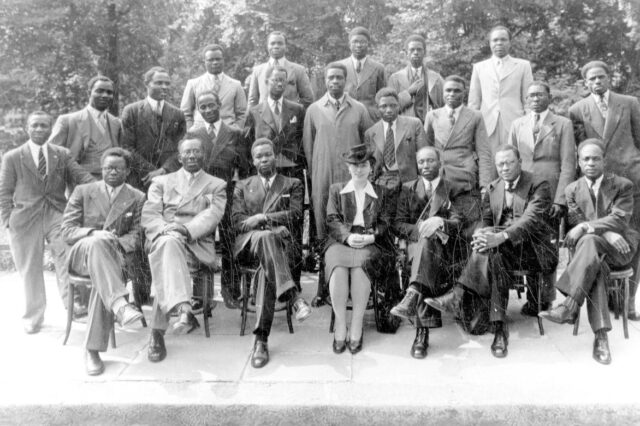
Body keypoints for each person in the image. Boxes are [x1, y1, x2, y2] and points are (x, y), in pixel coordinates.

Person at [425, 145, 557, 358]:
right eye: (500, 164)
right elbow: (486, 220)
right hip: (502, 250)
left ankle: (458, 294)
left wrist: (500, 237)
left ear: (520, 162)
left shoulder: (538, 184)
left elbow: (530, 221)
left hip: (532, 249)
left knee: (494, 249)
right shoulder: (493, 187)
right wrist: (481, 234)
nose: (504, 168)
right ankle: (499, 329)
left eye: (509, 163)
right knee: (493, 254)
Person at [540, 140, 638, 364]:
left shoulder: (623, 185)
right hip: (592, 252)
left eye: (596, 158)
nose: (591, 163)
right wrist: (602, 232)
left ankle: (569, 305)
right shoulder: (572, 189)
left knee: (590, 242)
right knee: (596, 266)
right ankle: (601, 337)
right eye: (586, 159)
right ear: (579, 162)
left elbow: (619, 218)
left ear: (604, 160)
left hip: (620, 248)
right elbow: (577, 221)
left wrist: (588, 227)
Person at [0, 111, 93, 334]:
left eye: (44, 126)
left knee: (66, 254)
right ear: (27, 128)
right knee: (30, 268)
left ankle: (72, 306)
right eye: (35, 125)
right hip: (24, 219)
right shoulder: (13, 156)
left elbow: (81, 176)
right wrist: (8, 221)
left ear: (51, 129)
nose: (40, 129)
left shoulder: (61, 154)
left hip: (56, 214)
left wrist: (103, 187)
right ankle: (33, 316)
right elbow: (4, 191)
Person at [60, 148, 145, 376]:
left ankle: (92, 350)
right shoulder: (83, 191)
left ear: (127, 171)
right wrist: (93, 234)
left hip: (115, 256)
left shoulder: (137, 197)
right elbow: (67, 231)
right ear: (101, 169)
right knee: (98, 245)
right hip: (82, 254)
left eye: (117, 168)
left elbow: (136, 236)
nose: (112, 172)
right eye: (107, 168)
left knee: (103, 280)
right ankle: (120, 305)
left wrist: (112, 242)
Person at [141, 138, 227, 363]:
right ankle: (183, 310)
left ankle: (157, 333)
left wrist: (184, 230)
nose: (192, 156)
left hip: (196, 242)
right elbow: (150, 214)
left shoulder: (216, 184)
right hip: (163, 237)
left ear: (203, 155)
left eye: (197, 151)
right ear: (179, 157)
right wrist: (167, 231)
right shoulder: (161, 181)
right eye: (187, 152)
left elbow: (212, 216)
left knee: (166, 260)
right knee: (168, 246)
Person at [232, 138, 312, 368]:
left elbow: (296, 213)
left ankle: (261, 340)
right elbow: (237, 222)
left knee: (265, 273)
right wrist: (264, 225)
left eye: (268, 154)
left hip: (280, 248)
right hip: (250, 246)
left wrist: (264, 218)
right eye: (259, 156)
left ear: (275, 156)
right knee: (266, 238)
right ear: (252, 160)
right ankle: (294, 298)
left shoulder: (292, 183)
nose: (264, 159)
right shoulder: (243, 185)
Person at [569, 60, 640, 321]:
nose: (597, 82)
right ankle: (606, 297)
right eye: (592, 79)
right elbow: (580, 150)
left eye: (601, 77)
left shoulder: (629, 102)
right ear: (585, 83)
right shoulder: (577, 110)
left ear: (609, 78)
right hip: (599, 186)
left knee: (632, 238)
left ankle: (628, 302)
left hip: (629, 180)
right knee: (602, 234)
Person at [302, 62, 374, 306]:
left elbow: (367, 144)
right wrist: (317, 177)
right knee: (323, 230)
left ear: (347, 81)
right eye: (331, 78)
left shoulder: (359, 109)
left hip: (350, 179)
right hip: (323, 179)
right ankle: (324, 287)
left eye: (339, 78)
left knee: (352, 226)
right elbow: (309, 149)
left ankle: (353, 285)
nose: (335, 82)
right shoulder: (313, 110)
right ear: (325, 81)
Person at [509, 81, 576, 315]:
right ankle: (529, 295)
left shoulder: (563, 124)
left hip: (550, 191)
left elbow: (568, 163)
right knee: (523, 237)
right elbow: (510, 157)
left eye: (540, 95)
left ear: (549, 97)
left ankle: (543, 299)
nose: (535, 99)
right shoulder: (517, 124)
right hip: (524, 190)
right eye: (531, 96)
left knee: (547, 245)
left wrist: (561, 199)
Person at [390, 147, 463, 359]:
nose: (425, 166)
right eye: (421, 162)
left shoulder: (452, 188)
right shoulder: (408, 188)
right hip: (416, 249)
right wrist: (422, 229)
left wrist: (440, 223)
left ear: (439, 162)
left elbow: (459, 222)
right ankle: (421, 331)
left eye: (430, 161)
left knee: (428, 249)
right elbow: (398, 223)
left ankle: (414, 301)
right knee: (425, 246)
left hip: (446, 250)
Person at [325, 144, 394, 355]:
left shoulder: (382, 192)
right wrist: (348, 236)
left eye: (363, 165)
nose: (359, 170)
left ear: (370, 167)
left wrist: (371, 236)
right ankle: (340, 324)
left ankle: (356, 325)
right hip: (341, 239)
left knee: (361, 268)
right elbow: (332, 219)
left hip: (370, 240)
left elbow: (385, 221)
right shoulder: (337, 190)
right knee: (338, 268)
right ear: (348, 168)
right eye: (354, 165)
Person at [187, 91, 249, 308]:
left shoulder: (234, 133)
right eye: (202, 107)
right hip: (201, 195)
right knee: (200, 240)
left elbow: (244, 168)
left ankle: (231, 292)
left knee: (231, 241)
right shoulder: (193, 134)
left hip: (227, 193)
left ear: (220, 104)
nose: (207, 110)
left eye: (211, 105)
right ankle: (202, 296)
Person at [468, 26, 533, 182]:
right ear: (489, 43)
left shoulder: (523, 65)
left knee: (514, 164)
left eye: (503, 39)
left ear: (510, 42)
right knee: (489, 166)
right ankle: (491, 203)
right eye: (495, 40)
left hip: (514, 123)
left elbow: (528, 99)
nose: (499, 43)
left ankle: (516, 203)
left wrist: (528, 123)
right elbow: (474, 101)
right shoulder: (479, 67)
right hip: (487, 124)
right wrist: (471, 128)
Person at [121, 66, 187, 190]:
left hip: (169, 177)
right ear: (147, 84)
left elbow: (181, 148)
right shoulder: (131, 111)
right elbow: (127, 147)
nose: (164, 87)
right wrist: (151, 171)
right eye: (159, 83)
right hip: (140, 179)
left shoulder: (178, 114)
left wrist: (164, 170)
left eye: (167, 83)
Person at [49, 75, 122, 178]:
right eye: (99, 91)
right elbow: (52, 154)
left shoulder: (116, 123)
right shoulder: (68, 120)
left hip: (111, 183)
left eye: (109, 92)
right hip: (79, 184)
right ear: (89, 93)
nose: (105, 95)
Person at [244, 66, 306, 181]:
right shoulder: (254, 112)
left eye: (282, 80)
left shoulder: (297, 109)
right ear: (267, 82)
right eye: (275, 80)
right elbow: (248, 144)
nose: (279, 84)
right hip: (265, 167)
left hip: (291, 167)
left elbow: (302, 139)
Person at [365, 87, 427, 195]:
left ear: (398, 105)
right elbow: (370, 164)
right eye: (384, 106)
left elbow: (424, 155)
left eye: (393, 105)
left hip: (410, 184)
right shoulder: (370, 133)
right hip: (382, 186)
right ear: (377, 108)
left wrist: (422, 184)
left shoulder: (414, 124)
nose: (389, 110)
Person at [181, 44, 247, 130]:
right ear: (204, 61)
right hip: (200, 133)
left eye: (218, 59)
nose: (215, 62)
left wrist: (236, 131)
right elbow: (185, 113)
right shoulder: (193, 84)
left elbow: (242, 113)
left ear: (223, 60)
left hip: (228, 134)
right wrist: (190, 132)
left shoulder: (236, 85)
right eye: (211, 60)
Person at [247, 31, 314, 109]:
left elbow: (308, 98)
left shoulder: (298, 70)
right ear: (267, 46)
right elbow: (252, 101)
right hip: (264, 119)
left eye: (280, 43)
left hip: (289, 119)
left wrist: (295, 112)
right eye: (272, 43)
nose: (276, 46)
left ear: (285, 46)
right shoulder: (258, 71)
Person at [388, 34, 444, 123]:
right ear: (406, 53)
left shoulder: (436, 78)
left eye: (419, 49)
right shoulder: (395, 78)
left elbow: (443, 107)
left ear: (424, 52)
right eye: (412, 50)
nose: (415, 52)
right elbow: (389, 108)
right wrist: (408, 92)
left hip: (429, 127)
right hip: (405, 127)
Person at [338, 27, 386, 122]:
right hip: (345, 117)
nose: (359, 45)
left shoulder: (378, 68)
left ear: (368, 44)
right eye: (355, 42)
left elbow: (383, 96)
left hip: (371, 118)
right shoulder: (339, 67)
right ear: (349, 44)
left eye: (363, 42)